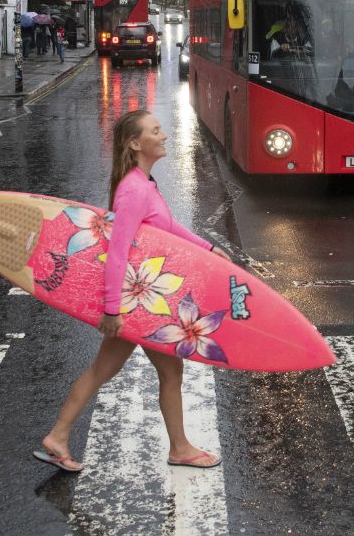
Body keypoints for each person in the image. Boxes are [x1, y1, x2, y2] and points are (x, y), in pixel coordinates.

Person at [34, 110, 231, 474]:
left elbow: (168, 226)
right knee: (166, 373)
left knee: (115, 370)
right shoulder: (133, 190)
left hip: (133, 303)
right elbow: (118, 251)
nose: (165, 135)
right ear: (136, 144)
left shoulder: (144, 183)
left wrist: (206, 248)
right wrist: (112, 311)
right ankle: (179, 448)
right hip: (132, 305)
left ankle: (59, 436)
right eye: (156, 131)